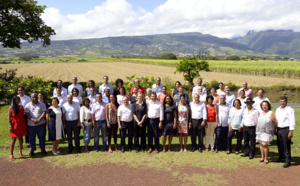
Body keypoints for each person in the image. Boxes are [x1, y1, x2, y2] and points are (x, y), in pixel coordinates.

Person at [274, 96, 296, 168]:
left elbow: (292, 121)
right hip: (279, 129)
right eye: (281, 101)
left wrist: (291, 131)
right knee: (280, 144)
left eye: (284, 101)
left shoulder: (290, 110)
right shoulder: (277, 109)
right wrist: (275, 129)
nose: (282, 103)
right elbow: (276, 120)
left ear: (286, 101)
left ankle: (287, 160)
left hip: (286, 129)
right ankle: (281, 158)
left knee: (286, 145)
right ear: (279, 101)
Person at [8, 96, 27, 160]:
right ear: (13, 101)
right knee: (13, 139)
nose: (17, 101)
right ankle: (11, 154)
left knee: (20, 139)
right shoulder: (11, 107)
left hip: (21, 125)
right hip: (14, 126)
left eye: (18, 99)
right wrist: (10, 126)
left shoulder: (22, 107)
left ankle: (20, 151)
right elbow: (9, 118)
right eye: (15, 100)